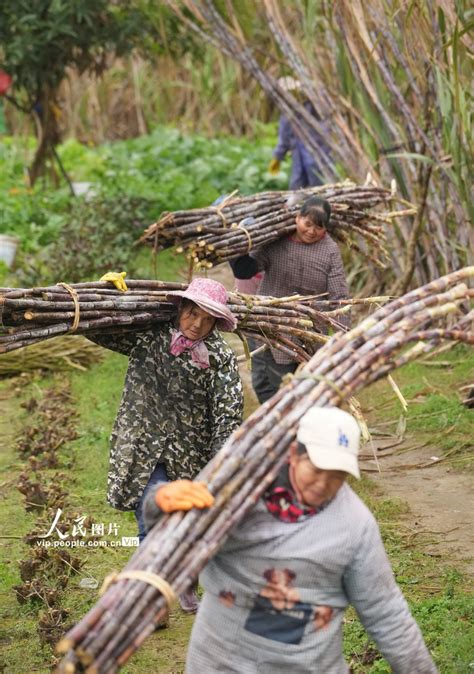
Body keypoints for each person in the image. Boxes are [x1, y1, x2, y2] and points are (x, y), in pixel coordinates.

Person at [144, 406, 438, 673]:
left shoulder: (354, 525)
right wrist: (159, 500)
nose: (324, 484)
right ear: (294, 454)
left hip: (307, 666)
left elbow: (385, 613)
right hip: (221, 661)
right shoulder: (239, 491)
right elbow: (172, 541)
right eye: (318, 469)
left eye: (337, 476)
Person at [89, 275, 244, 613]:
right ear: (180, 309)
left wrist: (220, 464)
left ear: (217, 322)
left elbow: (227, 414)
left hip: (189, 457)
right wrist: (99, 294)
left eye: (207, 320)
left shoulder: (219, 356)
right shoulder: (148, 335)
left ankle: (183, 582)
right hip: (141, 448)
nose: (196, 325)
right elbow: (95, 327)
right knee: (152, 524)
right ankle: (151, 601)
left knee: (184, 526)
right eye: (192, 314)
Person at [230, 196, 350, 404]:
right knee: (266, 383)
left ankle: (296, 426)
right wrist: (236, 244)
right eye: (308, 223)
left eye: (319, 227)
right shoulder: (277, 241)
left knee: (304, 387)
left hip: (310, 331)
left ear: (326, 229)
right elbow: (245, 270)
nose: (312, 231)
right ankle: (277, 424)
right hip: (272, 325)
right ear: (298, 218)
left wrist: (343, 337)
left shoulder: (330, 251)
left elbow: (339, 296)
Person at [268, 77, 331, 189]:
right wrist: (277, 156)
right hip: (299, 152)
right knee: (297, 185)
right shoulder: (288, 111)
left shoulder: (314, 105)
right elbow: (285, 136)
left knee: (317, 183)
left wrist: (277, 155)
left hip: (316, 151)